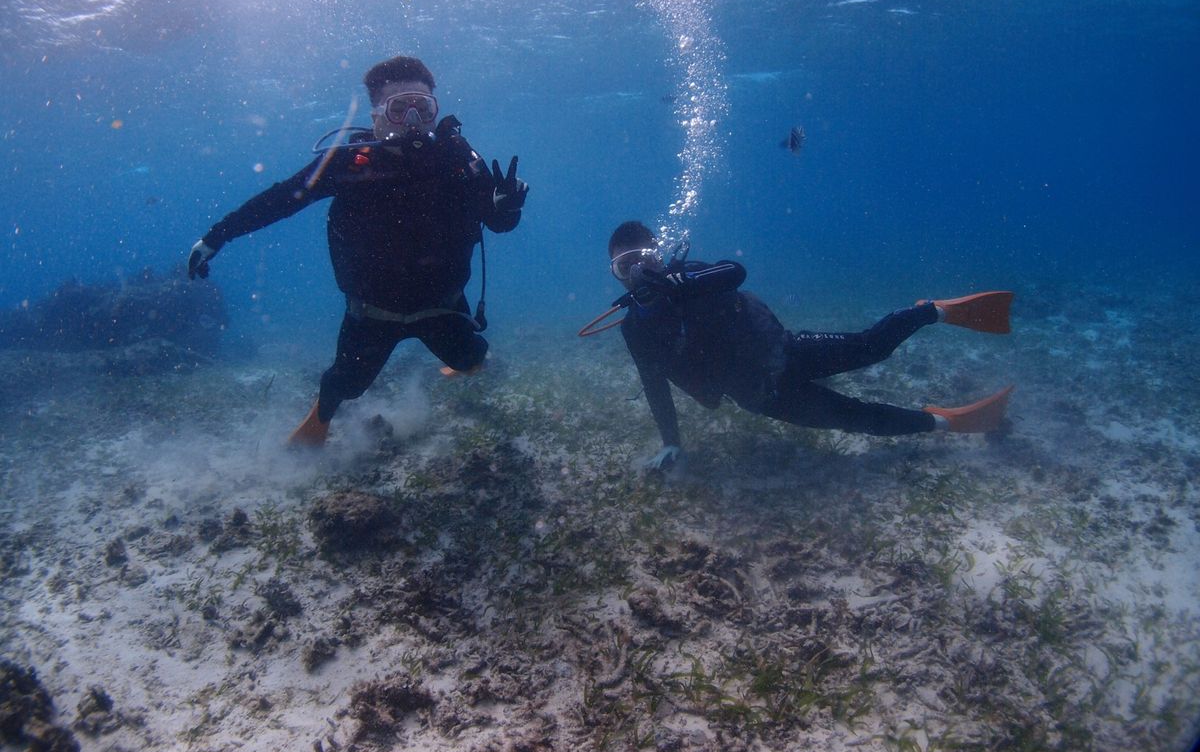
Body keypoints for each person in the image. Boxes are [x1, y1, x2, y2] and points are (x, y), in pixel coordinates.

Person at [187, 55, 528, 448]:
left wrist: (508, 209)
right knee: (343, 385)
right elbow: (281, 199)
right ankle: (319, 418)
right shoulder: (349, 164)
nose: (413, 120)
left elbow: (497, 223)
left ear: (436, 109)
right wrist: (217, 236)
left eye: (423, 108)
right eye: (398, 109)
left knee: (472, 360)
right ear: (376, 116)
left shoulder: (459, 162)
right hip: (371, 314)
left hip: (445, 306)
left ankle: (459, 363)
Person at [603, 221, 1013, 470]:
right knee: (856, 418)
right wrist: (671, 442)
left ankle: (933, 311)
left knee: (872, 347)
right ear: (617, 277)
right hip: (760, 396)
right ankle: (948, 422)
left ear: (659, 255)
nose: (640, 273)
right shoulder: (635, 330)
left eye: (646, 260)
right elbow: (655, 385)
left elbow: (735, 272)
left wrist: (682, 282)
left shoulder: (689, 276)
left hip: (786, 352)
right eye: (626, 267)